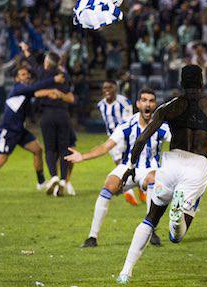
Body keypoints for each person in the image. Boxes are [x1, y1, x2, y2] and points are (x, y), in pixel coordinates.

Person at [115, 65, 207, 284]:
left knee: (150, 218)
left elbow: (141, 140)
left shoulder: (169, 107)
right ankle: (178, 217)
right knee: (177, 236)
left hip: (171, 164)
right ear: (202, 82)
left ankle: (126, 271)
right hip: (196, 166)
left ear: (181, 82)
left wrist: (131, 167)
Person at [66, 88, 167, 248]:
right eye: (144, 100)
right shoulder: (127, 125)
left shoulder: (161, 126)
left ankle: (151, 229)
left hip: (150, 169)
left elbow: (180, 141)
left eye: (151, 100)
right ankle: (92, 237)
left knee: (153, 180)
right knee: (108, 186)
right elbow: (106, 146)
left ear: (155, 105)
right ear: (138, 104)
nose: (147, 103)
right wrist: (82, 156)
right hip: (127, 166)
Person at [0, 66, 66, 199]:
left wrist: (49, 92)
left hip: (19, 131)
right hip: (9, 131)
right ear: (17, 79)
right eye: (23, 75)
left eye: (27, 74)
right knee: (1, 159)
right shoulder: (18, 89)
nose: (26, 76)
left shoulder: (25, 92)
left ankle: (41, 182)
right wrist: (53, 80)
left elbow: (36, 93)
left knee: (38, 150)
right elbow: (35, 89)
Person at [21, 43, 76, 197]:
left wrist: (26, 50)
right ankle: (64, 181)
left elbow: (31, 62)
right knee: (65, 148)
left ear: (46, 62)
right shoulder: (63, 76)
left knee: (50, 149)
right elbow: (72, 97)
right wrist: (59, 93)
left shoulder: (41, 74)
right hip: (63, 115)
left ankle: (54, 177)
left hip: (46, 115)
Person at [96, 80, 138, 205]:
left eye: (110, 87)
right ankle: (133, 188)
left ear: (116, 89)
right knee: (119, 163)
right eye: (105, 88)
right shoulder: (101, 105)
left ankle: (133, 189)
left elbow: (129, 120)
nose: (107, 90)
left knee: (128, 163)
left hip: (124, 137)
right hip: (111, 138)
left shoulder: (124, 102)